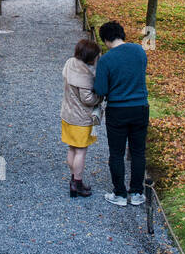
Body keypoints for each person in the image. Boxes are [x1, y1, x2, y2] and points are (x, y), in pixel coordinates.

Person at [92, 20, 149, 206]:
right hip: (140, 107)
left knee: (116, 153)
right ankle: (137, 193)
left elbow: (100, 89)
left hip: (118, 109)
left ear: (106, 39)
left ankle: (120, 194)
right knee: (138, 151)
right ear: (121, 34)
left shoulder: (106, 60)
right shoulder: (139, 51)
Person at [60, 38, 103, 197]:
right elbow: (88, 99)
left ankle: (73, 178)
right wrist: (99, 98)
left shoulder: (70, 63)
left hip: (67, 114)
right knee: (81, 151)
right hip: (80, 118)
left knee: (72, 148)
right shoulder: (84, 75)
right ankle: (77, 183)